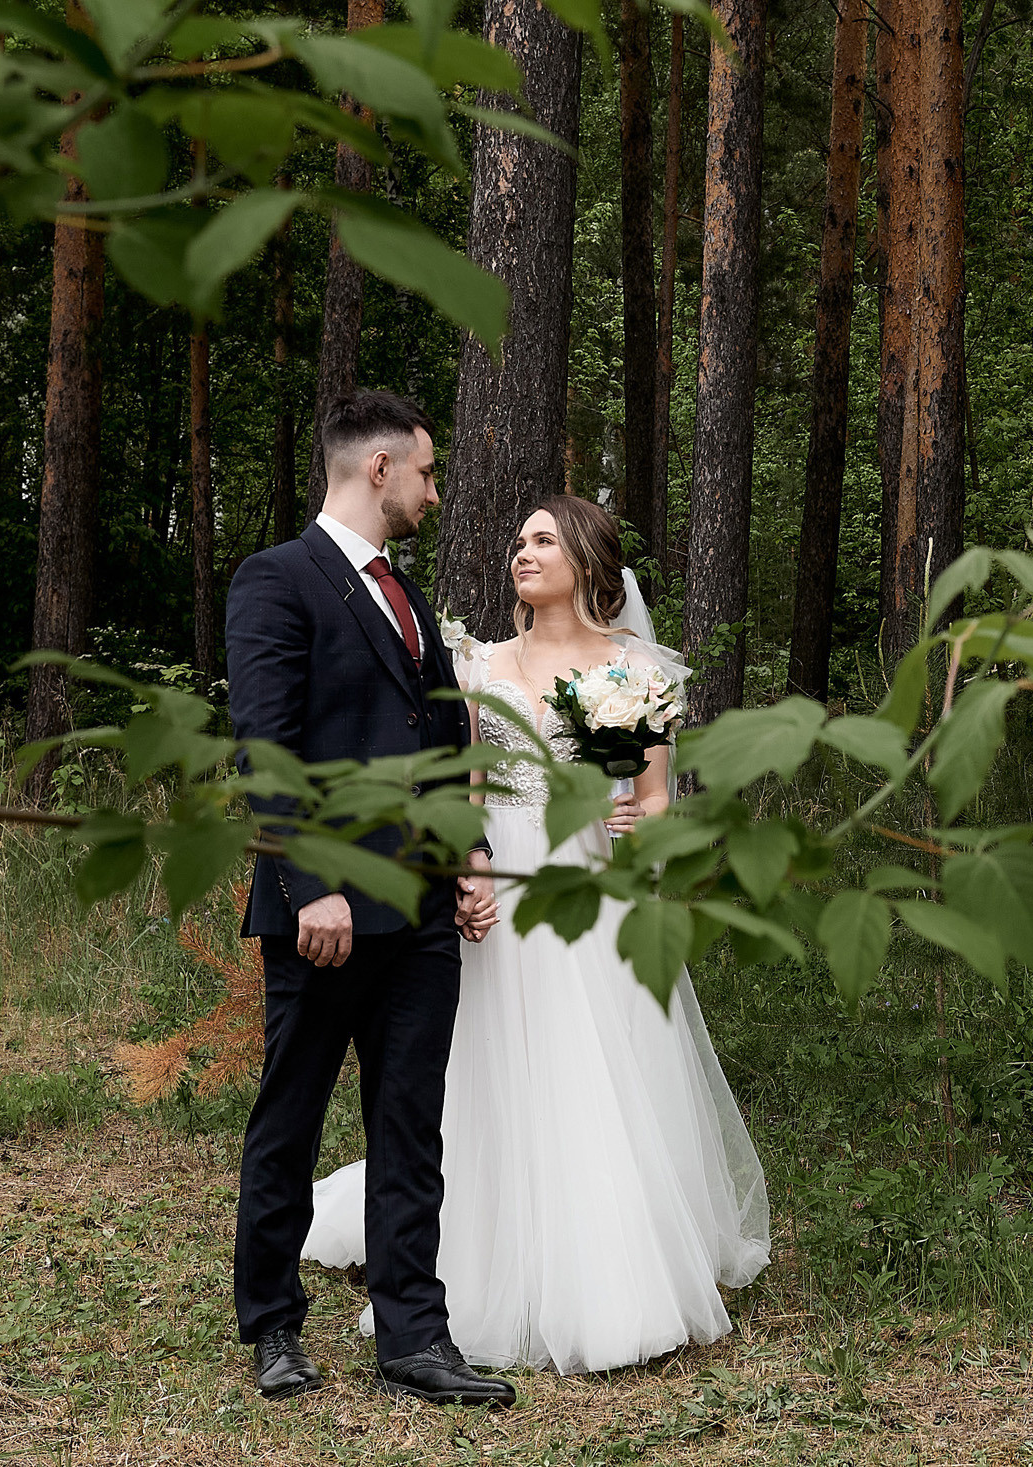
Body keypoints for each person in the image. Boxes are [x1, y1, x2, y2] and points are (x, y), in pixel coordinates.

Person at [302, 495, 771, 1376]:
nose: (523, 552)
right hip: (502, 872)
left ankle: (605, 1264)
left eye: (544, 540)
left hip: (587, 876)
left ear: (586, 562)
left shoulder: (634, 668)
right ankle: (475, 1253)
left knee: (588, 1058)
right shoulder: (479, 663)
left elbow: (657, 796)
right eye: (519, 539)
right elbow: (469, 789)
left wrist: (639, 822)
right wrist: (466, 869)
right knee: (488, 1059)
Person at [225, 391, 513, 1406]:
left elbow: (438, 747)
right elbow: (265, 748)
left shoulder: (409, 599)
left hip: (422, 918)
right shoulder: (277, 579)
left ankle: (414, 1338)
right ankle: (271, 1324)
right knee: (291, 1122)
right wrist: (314, 887)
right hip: (324, 918)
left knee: (410, 1128)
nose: (435, 492)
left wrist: (469, 853)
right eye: (427, 473)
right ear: (379, 468)